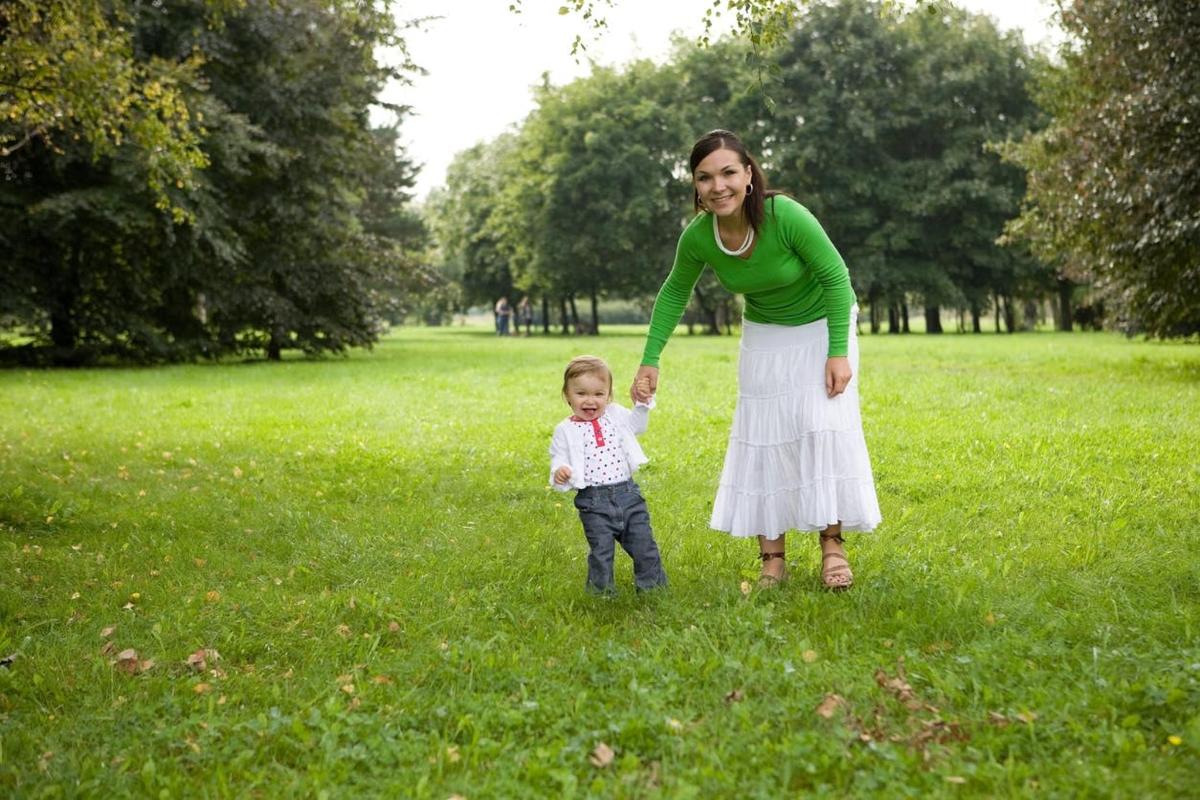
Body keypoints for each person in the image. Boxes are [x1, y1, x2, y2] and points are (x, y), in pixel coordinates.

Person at [630, 129, 881, 591]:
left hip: (823, 325)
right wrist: (651, 359)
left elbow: (835, 275)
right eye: (704, 177)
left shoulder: (784, 215)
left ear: (748, 175)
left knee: (819, 428)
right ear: (695, 185)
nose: (717, 186)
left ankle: (833, 547)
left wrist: (838, 352)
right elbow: (673, 293)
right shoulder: (699, 237)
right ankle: (773, 559)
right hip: (765, 335)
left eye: (728, 172)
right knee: (765, 439)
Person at [550, 355, 668, 594]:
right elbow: (558, 457)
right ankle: (601, 594)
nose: (590, 401)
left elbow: (638, 425)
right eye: (581, 394)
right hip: (593, 501)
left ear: (609, 395)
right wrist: (560, 471)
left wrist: (642, 404)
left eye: (598, 394)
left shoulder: (615, 415)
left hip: (628, 495)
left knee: (644, 546)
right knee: (601, 552)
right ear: (567, 396)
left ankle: (653, 589)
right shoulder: (565, 430)